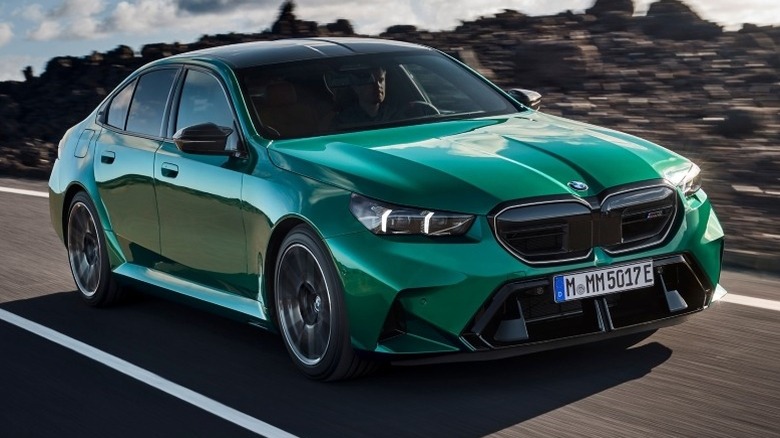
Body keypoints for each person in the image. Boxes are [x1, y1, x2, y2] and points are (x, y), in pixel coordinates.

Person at [333, 66, 399, 127]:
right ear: (356, 88)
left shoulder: (396, 116)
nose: (378, 86)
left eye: (381, 80)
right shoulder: (344, 121)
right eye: (370, 82)